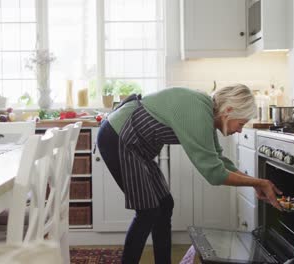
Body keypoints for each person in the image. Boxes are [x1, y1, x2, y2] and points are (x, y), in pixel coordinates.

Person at [96, 85, 282, 264]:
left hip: (135, 146)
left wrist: (256, 183)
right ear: (228, 111)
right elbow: (215, 174)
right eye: (240, 123)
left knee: (164, 204)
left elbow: (219, 161)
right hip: (119, 137)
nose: (240, 130)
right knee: (148, 211)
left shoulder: (206, 111)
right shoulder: (199, 113)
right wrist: (259, 182)